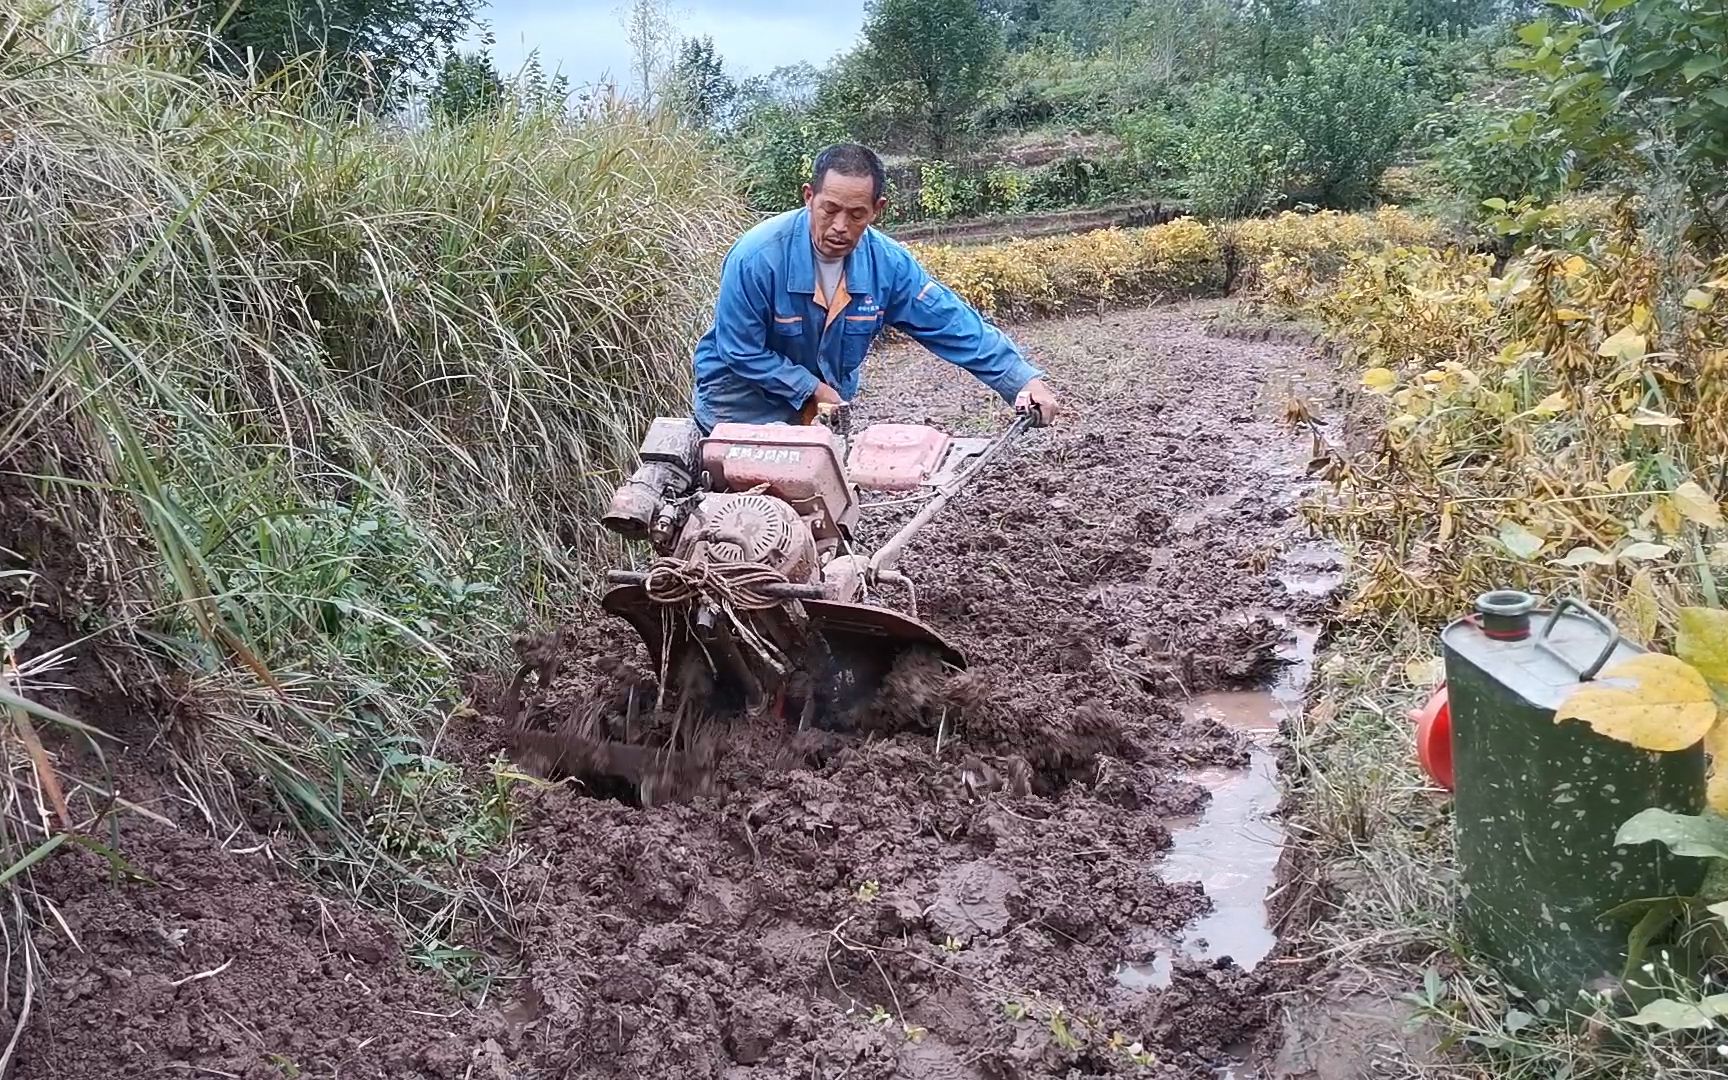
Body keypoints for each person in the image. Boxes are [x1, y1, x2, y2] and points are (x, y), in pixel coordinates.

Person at [691, 142, 1060, 433]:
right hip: (738, 407)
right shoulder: (757, 257)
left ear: (876, 209)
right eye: (829, 209)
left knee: (819, 516)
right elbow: (739, 350)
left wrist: (1022, 380)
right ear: (808, 197)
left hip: (822, 414)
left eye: (856, 215)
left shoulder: (889, 266)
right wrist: (810, 389)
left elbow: (952, 324)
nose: (839, 226)